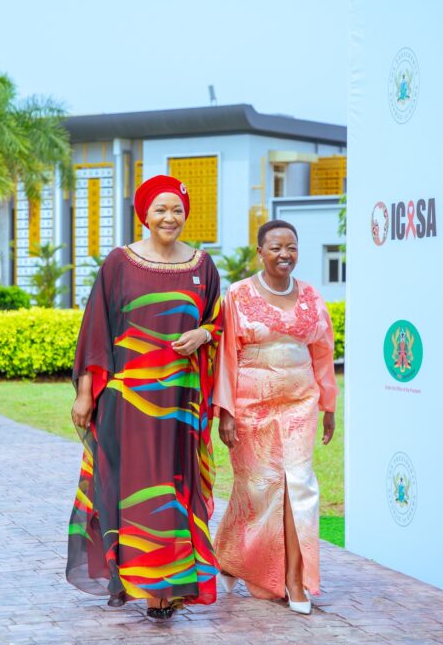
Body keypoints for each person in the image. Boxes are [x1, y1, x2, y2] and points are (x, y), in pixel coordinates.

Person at [66, 175, 222, 620]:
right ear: (144, 215)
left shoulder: (202, 265)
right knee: (133, 488)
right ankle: (141, 580)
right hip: (127, 400)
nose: (169, 218)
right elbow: (96, 329)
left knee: (173, 488)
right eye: (160, 210)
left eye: (177, 210)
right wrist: (85, 394)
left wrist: (203, 334)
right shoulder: (120, 262)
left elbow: (217, 320)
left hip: (180, 403)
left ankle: (164, 588)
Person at [213, 220, 338, 615]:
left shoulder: (312, 296)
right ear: (260, 253)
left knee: (298, 485)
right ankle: (232, 556)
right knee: (257, 489)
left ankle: (294, 580)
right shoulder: (238, 295)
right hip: (251, 406)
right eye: (276, 247)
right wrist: (226, 412)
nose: (285, 254)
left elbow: (323, 352)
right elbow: (226, 356)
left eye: (292, 247)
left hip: (300, 403)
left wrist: (329, 405)